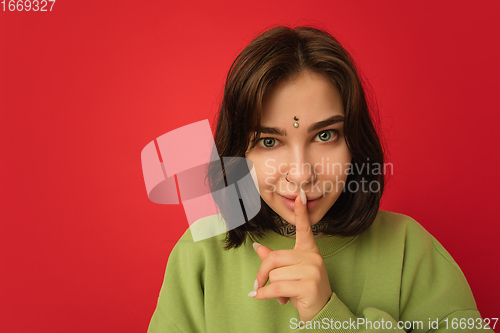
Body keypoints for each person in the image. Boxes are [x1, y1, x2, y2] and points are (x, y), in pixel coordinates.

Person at [147, 25, 492, 332]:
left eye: (325, 136)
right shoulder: (200, 255)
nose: (301, 173)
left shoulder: (409, 250)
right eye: (269, 141)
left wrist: (331, 319)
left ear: (355, 142)